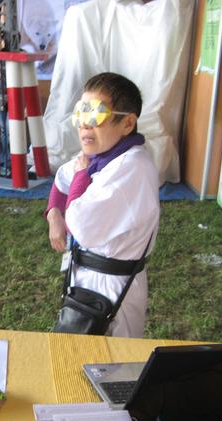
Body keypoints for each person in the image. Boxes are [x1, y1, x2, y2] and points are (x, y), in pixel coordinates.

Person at [45, 72, 159, 338]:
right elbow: (61, 181)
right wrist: (53, 216)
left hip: (112, 287)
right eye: (81, 113)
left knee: (112, 356)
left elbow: (81, 226)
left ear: (127, 123)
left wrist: (81, 177)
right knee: (76, 350)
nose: (85, 125)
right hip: (85, 279)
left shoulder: (131, 168)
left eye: (95, 114)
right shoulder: (100, 157)